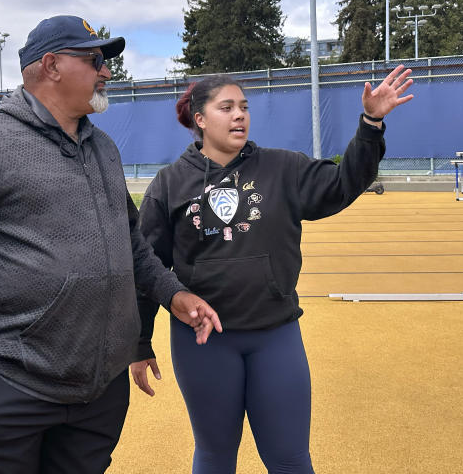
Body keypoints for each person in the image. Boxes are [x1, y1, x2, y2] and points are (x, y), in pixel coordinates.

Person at [0, 15, 222, 474]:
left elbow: (132, 244)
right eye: (95, 59)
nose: (107, 72)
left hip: (98, 394)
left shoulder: (103, 149)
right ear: (52, 65)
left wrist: (172, 294)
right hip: (9, 391)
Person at [130, 66, 414, 473]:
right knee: (214, 455)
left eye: (244, 107)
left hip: (275, 336)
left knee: (290, 458)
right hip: (204, 343)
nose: (239, 115)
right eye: (226, 107)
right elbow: (148, 267)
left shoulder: (283, 170)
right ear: (200, 119)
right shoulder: (170, 185)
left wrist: (371, 123)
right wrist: (140, 343)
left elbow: (344, 183)